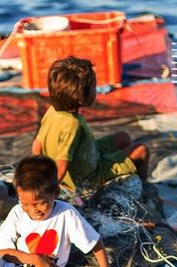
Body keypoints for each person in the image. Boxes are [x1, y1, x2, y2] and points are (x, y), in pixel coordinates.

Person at [32, 56, 150, 191]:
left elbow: (37, 146)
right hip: (89, 176)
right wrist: (47, 192)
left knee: (123, 138)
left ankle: (123, 167)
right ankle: (145, 191)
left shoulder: (52, 110)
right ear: (81, 98)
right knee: (141, 150)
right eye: (94, 87)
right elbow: (62, 164)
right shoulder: (72, 124)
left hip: (87, 155)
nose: (96, 90)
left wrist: (39, 171)